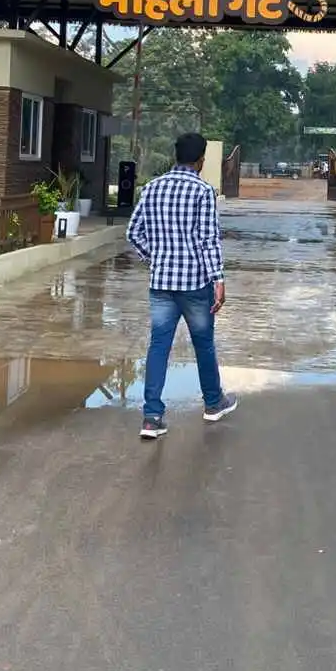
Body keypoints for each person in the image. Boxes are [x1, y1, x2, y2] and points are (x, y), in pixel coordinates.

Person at [126, 132, 236, 440]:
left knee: (158, 345)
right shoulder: (203, 191)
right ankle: (213, 403)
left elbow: (133, 232)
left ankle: (151, 417)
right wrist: (218, 280)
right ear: (201, 160)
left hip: (161, 283)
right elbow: (208, 241)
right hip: (195, 284)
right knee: (203, 343)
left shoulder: (152, 188)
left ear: (176, 156)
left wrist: (155, 257)